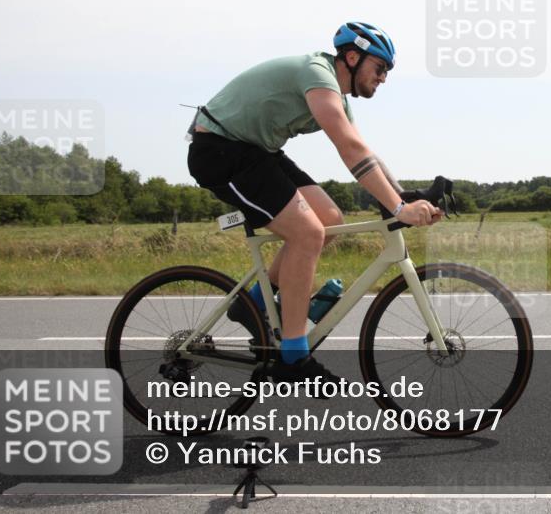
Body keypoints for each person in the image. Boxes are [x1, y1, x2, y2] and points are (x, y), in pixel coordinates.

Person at [186, 22, 441, 384]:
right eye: (380, 68)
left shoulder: (334, 92)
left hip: (256, 151)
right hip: (220, 151)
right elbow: (348, 149)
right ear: (352, 57)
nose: (384, 77)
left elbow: (364, 150)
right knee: (307, 234)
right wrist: (400, 211)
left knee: (328, 218)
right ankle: (293, 356)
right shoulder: (317, 74)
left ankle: (255, 303)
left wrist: (404, 197)